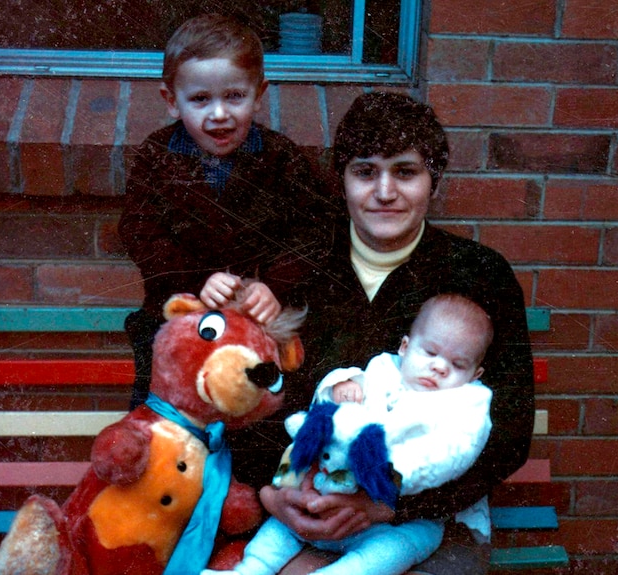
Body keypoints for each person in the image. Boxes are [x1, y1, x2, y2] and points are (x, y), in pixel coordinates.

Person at [240, 91, 536, 575]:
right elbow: (251, 392)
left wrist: (386, 507)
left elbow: (508, 432)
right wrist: (272, 494)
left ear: (433, 181)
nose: (384, 191)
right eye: (365, 171)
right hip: (295, 499)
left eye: (405, 171)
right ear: (342, 180)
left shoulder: (479, 276)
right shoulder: (299, 269)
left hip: (429, 518)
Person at [119, 13, 335, 410]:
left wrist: (275, 286)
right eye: (200, 99)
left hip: (259, 324)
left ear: (258, 94)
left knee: (263, 415)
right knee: (164, 421)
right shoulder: (156, 157)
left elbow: (316, 231)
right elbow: (140, 233)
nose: (219, 114)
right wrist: (198, 279)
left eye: (234, 96)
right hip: (177, 319)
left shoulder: (281, 158)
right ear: (171, 101)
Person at [204, 294, 495, 575]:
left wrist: (399, 474)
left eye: (457, 365)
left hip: (397, 518)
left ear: (474, 375)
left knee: (402, 546)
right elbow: (331, 403)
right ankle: (250, 569)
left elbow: (455, 451)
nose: (439, 367)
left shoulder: (467, 406)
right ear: (405, 347)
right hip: (327, 493)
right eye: (430, 352)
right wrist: (340, 385)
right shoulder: (384, 368)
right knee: (280, 531)